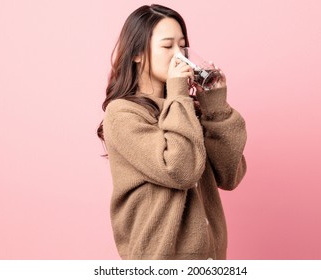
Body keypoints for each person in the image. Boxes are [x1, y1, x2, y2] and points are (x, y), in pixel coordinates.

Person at [97, 4, 247, 260]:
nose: (180, 56)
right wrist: (179, 93)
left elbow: (229, 175)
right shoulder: (122, 114)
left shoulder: (187, 110)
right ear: (137, 54)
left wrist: (216, 107)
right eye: (167, 47)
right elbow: (180, 171)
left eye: (182, 46)